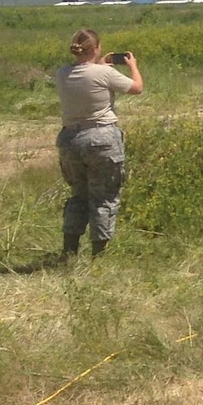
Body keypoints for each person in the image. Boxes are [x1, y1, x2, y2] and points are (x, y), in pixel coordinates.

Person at [54, 28, 142, 257]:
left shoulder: (62, 73)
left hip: (70, 139)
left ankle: (69, 251)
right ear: (96, 48)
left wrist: (100, 65)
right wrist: (133, 66)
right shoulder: (104, 74)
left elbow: (87, 75)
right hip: (101, 138)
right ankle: (99, 255)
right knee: (104, 197)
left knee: (78, 196)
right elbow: (137, 88)